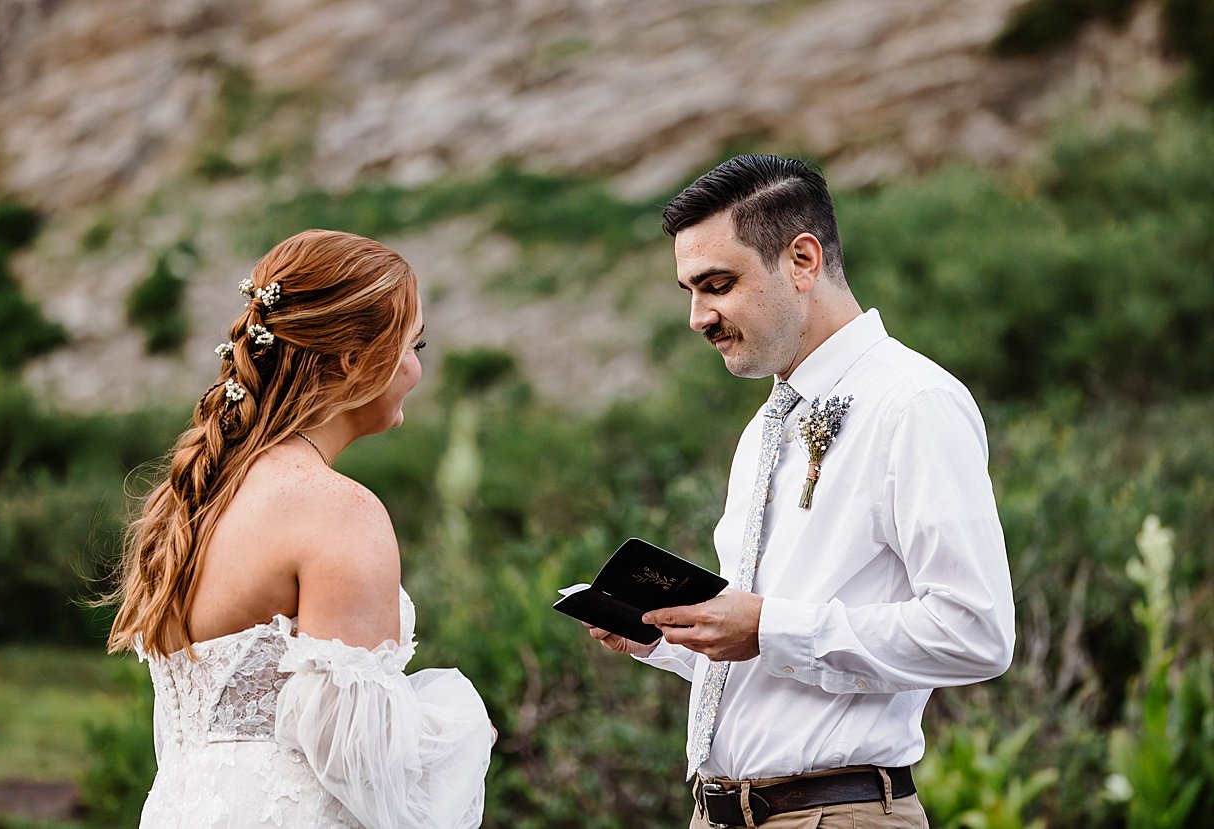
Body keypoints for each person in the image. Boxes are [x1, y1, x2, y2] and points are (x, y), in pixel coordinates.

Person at [586, 155, 1016, 827]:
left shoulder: (913, 402)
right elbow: (765, 655)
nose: (698, 316)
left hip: (835, 813)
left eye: (718, 284)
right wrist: (661, 636)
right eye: (689, 291)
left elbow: (977, 630)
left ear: (804, 260)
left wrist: (766, 624)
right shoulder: (764, 425)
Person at [106, 229, 495, 827]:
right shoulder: (338, 512)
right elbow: (364, 765)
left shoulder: (196, 491)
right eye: (414, 346)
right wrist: (459, 724)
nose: (418, 369)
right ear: (354, 360)